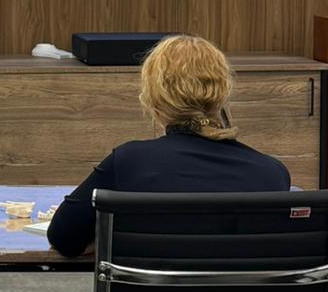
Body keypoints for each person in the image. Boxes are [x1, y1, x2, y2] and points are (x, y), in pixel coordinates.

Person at [47, 35, 290, 258]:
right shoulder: (272, 173)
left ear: (154, 100)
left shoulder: (129, 162)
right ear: (222, 94)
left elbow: (63, 237)